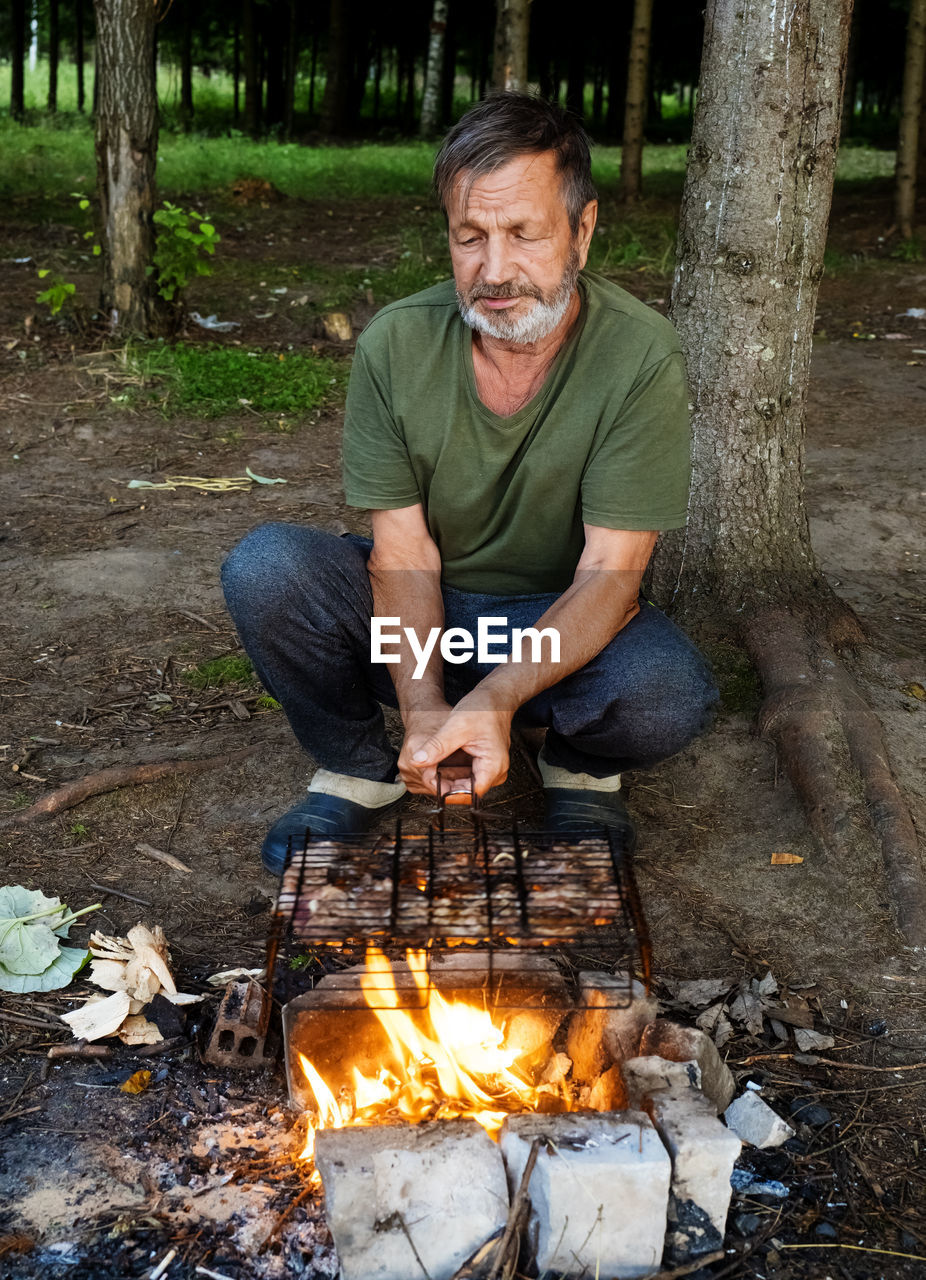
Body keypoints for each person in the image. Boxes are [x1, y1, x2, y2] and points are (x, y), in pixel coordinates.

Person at [222, 93, 717, 875]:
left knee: (665, 689)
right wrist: (421, 709)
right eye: (470, 237)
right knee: (268, 569)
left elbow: (611, 575)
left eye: (524, 234)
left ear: (581, 232)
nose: (494, 271)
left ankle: (577, 767)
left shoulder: (640, 354)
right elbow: (402, 551)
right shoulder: (395, 343)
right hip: (433, 617)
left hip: (558, 622)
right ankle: (361, 767)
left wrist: (494, 700)